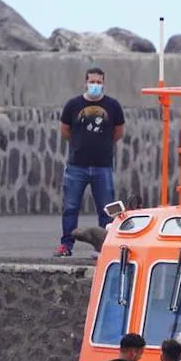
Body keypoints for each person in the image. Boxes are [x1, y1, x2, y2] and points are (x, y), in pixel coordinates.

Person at [56, 66, 125, 257]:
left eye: (99, 82)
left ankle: (105, 246)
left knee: (106, 208)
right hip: (76, 166)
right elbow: (65, 130)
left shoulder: (113, 106)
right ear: (85, 82)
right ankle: (66, 245)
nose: (95, 85)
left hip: (102, 166)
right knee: (70, 208)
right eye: (92, 81)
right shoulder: (73, 105)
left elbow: (118, 132)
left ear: (103, 84)